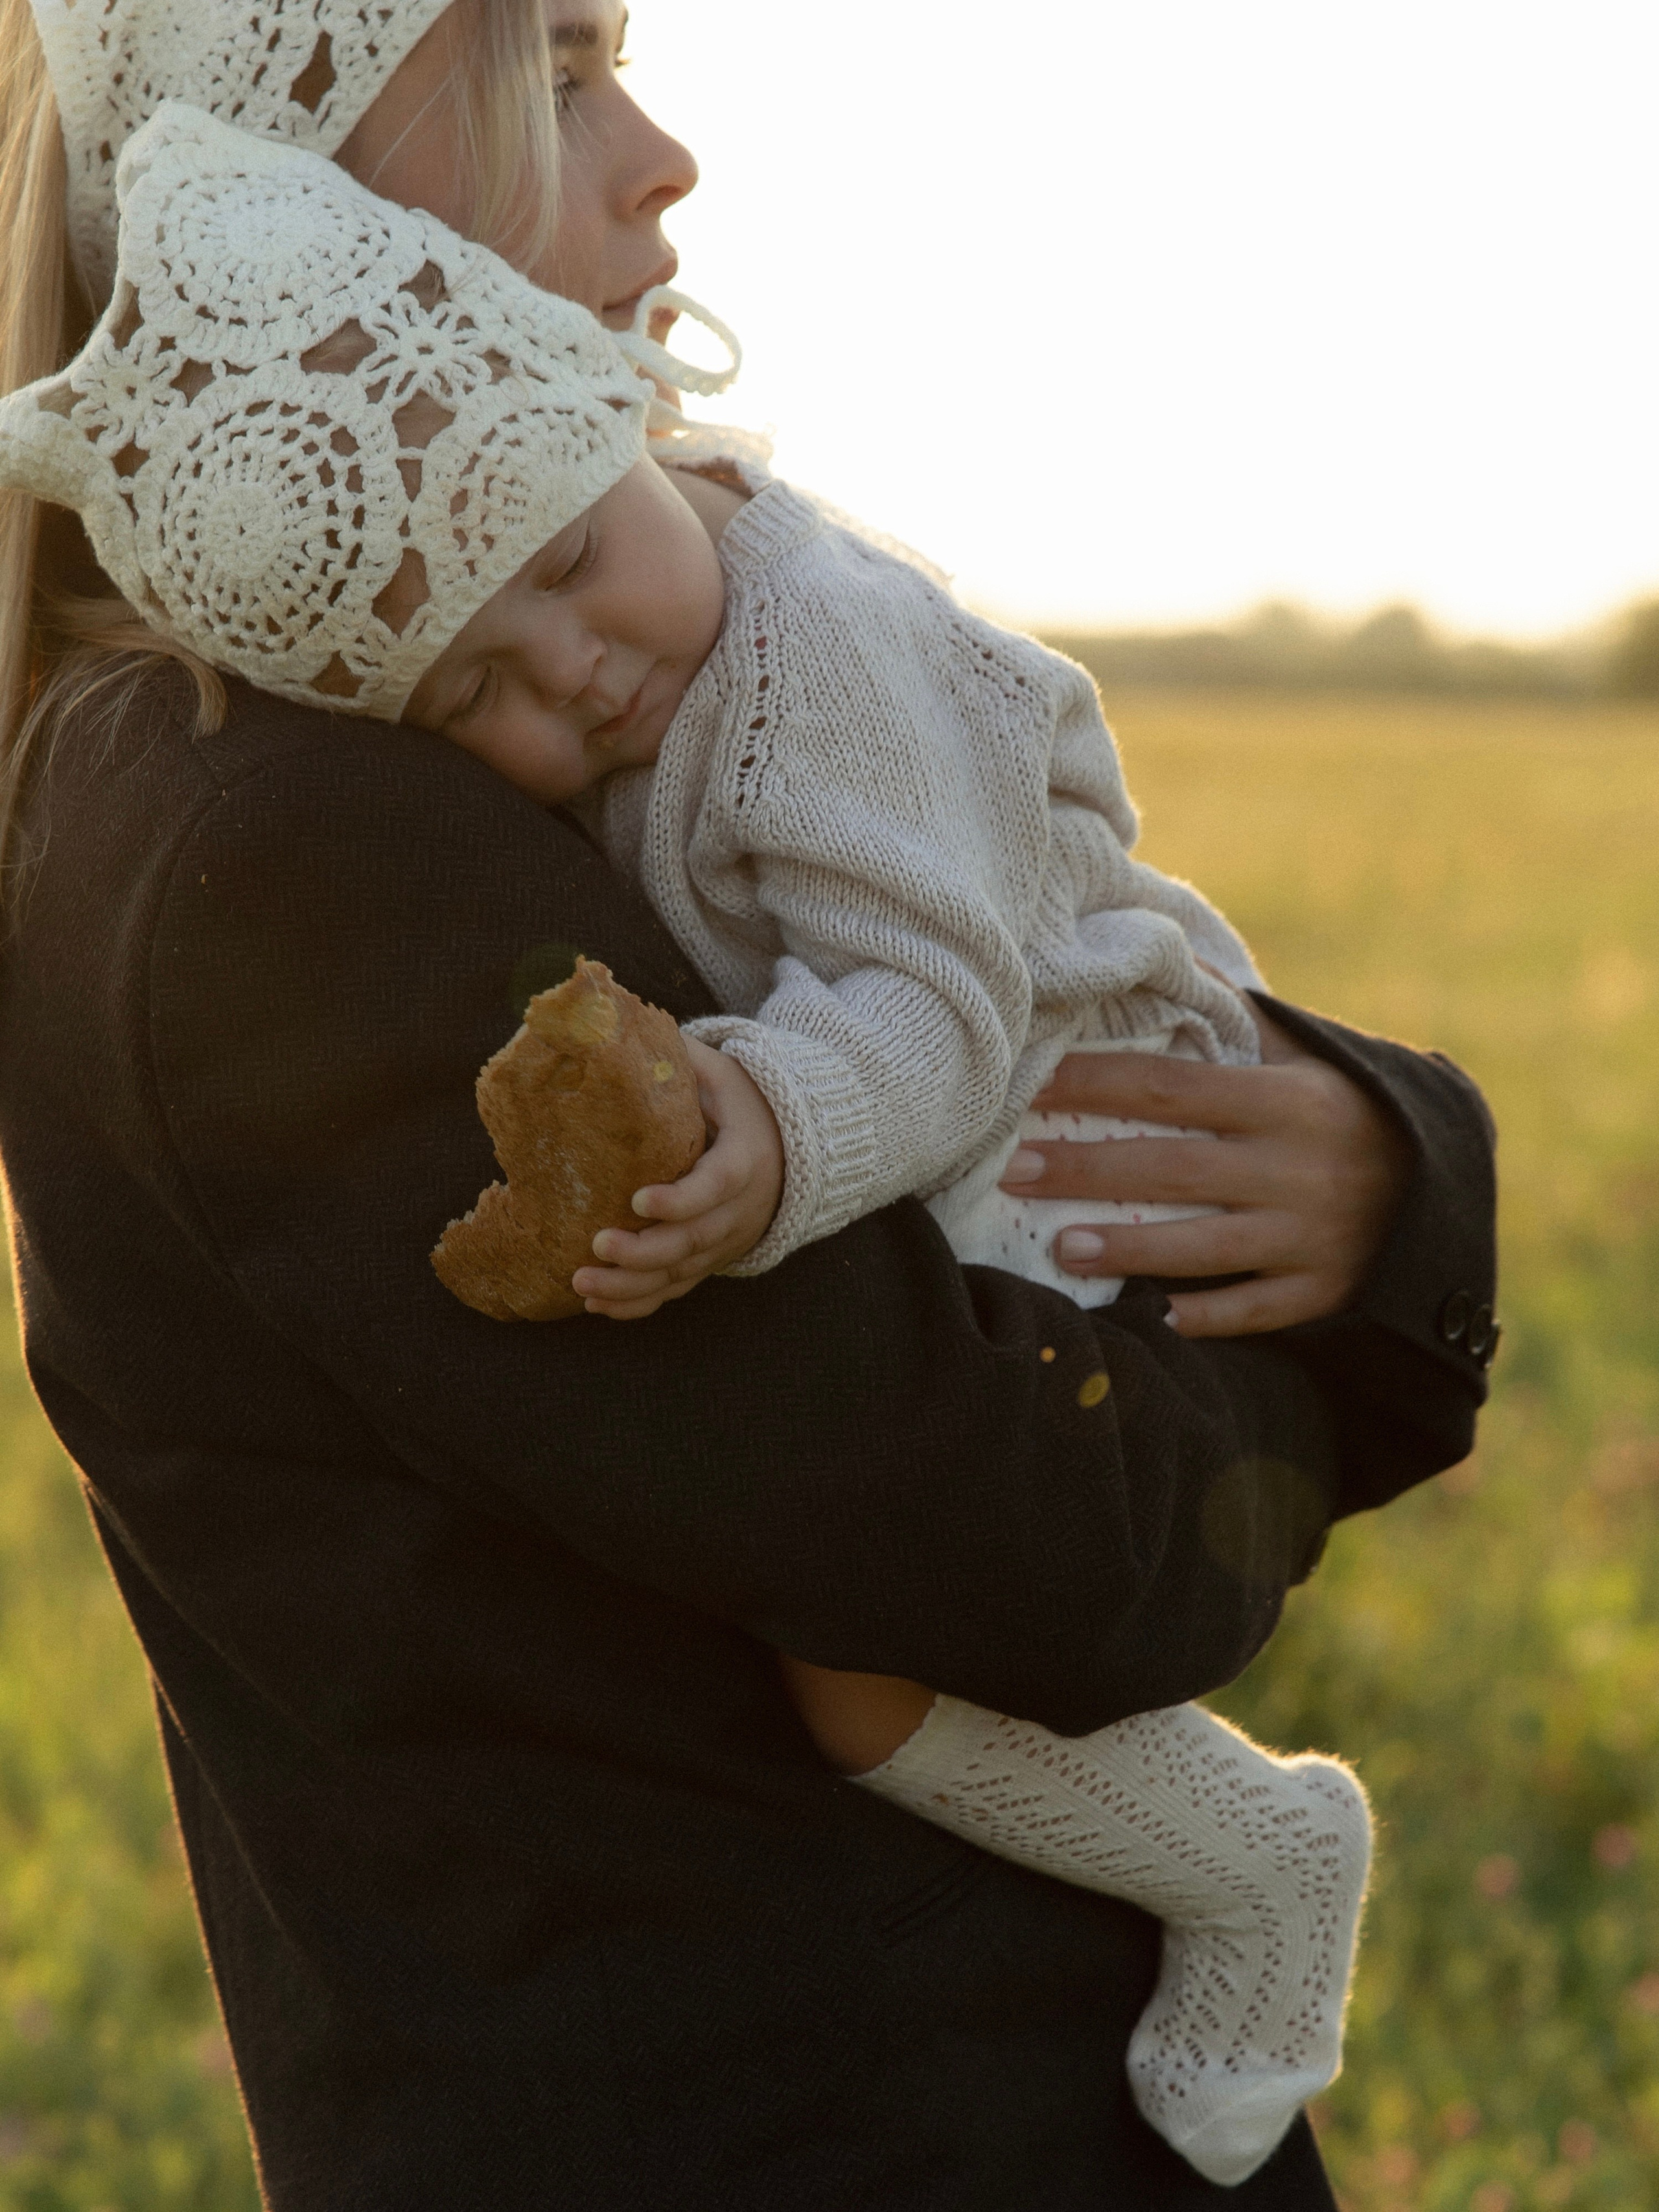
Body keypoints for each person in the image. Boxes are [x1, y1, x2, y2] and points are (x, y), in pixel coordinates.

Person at [0, 2, 1499, 2205]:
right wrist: (1393, 1244)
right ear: (282, 191)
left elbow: (980, 965)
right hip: (825, 2123)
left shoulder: (425, 716)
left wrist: (1378, 1153)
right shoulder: (280, 847)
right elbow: (1039, 1550)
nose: (666, 158)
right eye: (559, 76)